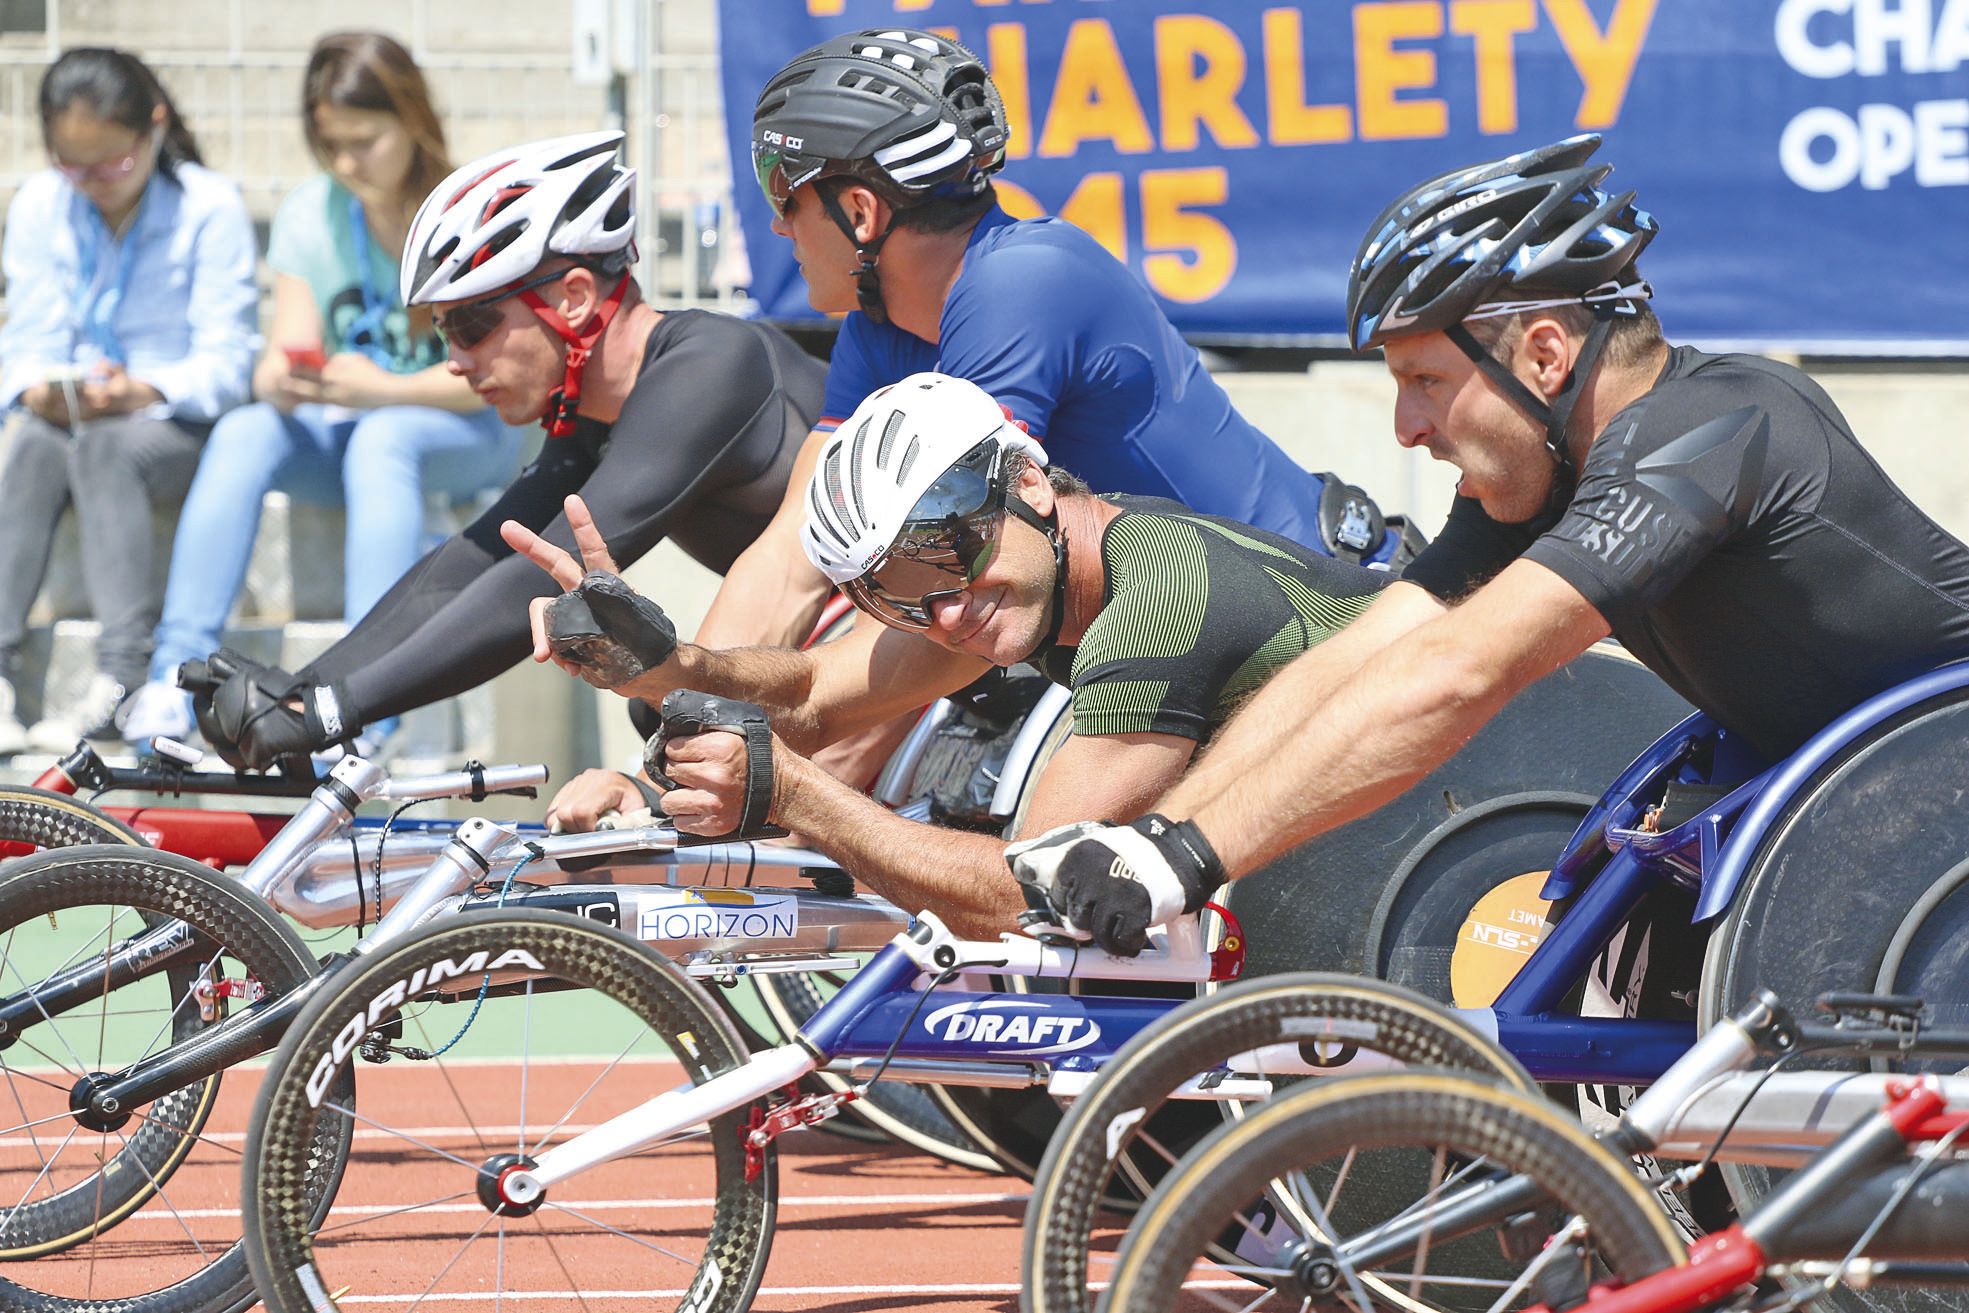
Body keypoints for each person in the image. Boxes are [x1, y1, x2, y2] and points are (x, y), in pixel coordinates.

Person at [1003, 134, 1969, 956]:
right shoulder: (1540, 476)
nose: (1403, 428)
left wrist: (1184, 860)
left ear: (1543, 355)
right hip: (1880, 814)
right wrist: (1159, 838)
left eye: (1423, 379)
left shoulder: (1714, 428)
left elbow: (1462, 672)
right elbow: (1357, 658)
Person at [510, 372, 1388, 935]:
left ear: (1032, 483)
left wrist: (795, 791)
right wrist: (664, 662)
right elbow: (815, 688)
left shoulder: (1156, 601)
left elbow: (1024, 893)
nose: (945, 605)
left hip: (1454, 817)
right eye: (892, 592)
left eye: (952, 550)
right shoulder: (1025, 577)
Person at [712, 27, 1417, 660]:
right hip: (1187, 641)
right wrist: (674, 712)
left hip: (1328, 627)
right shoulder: (875, 330)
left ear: (860, 211)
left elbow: (959, 586)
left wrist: (772, 741)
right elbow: (791, 557)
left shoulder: (1021, 282)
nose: (777, 226)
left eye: (785, 193)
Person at [190, 130, 827, 770]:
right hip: (825, 659)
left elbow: (531, 583)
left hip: (892, 663)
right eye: (442, 330)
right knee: (667, 718)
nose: (456, 362)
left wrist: (331, 711)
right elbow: (474, 561)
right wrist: (301, 692)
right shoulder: (592, 410)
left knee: (676, 721)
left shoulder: (707, 369)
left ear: (574, 298)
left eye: (472, 326)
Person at [121, 32, 529, 749]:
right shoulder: (313, 209)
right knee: (245, 428)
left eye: (364, 141)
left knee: (385, 435)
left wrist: (379, 390)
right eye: (330, 145)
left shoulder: (467, 210)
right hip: (358, 434)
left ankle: (369, 700)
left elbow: (494, 378)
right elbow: (279, 357)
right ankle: (169, 676)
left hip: (470, 430)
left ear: (411, 119)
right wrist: (281, 377)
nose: (346, 163)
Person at [0, 47, 257, 752]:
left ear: (155, 128)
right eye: (71, 166)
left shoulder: (209, 206)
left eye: (111, 164)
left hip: (176, 424)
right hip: (76, 420)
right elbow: (24, 337)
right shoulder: (40, 204)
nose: (92, 185)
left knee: (107, 445)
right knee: (32, 441)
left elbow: (229, 364)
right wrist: (38, 388)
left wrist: (144, 390)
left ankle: (121, 676)